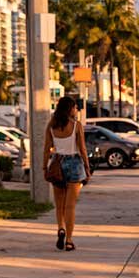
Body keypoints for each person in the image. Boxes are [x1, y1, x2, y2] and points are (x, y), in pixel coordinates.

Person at [43, 97, 91, 251]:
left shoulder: (51, 126)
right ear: (70, 109)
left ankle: (60, 228)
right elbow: (82, 148)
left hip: (57, 164)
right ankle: (69, 240)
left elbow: (46, 149)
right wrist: (87, 167)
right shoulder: (76, 126)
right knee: (70, 207)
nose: (76, 110)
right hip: (75, 164)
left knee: (59, 205)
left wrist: (45, 167)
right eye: (75, 107)